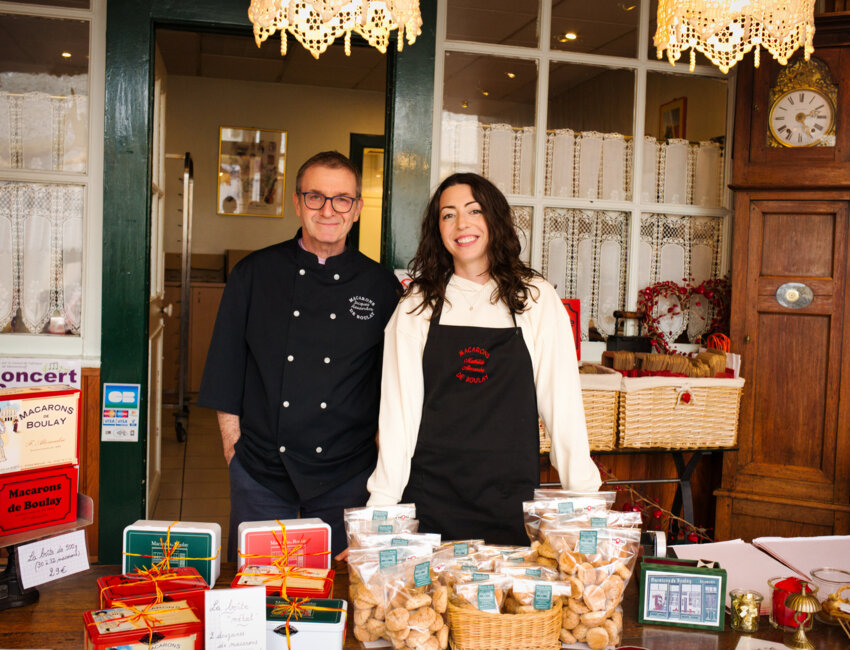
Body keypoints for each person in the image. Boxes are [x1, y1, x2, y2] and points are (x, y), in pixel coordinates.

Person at [366, 172, 600, 545]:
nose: (462, 224)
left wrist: (586, 498)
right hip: (431, 497)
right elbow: (399, 417)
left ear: (494, 219)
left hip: (509, 497)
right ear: (436, 228)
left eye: (474, 211)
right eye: (448, 214)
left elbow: (563, 405)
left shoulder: (534, 298)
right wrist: (380, 510)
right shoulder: (417, 305)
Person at [198, 151, 400, 560]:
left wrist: (383, 479)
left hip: (348, 478)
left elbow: (389, 388)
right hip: (262, 476)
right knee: (260, 594)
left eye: (342, 199)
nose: (329, 210)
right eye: (315, 197)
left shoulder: (381, 286)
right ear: (297, 203)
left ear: (357, 208)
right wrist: (235, 455)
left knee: (337, 600)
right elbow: (225, 370)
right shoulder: (254, 274)